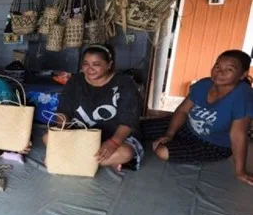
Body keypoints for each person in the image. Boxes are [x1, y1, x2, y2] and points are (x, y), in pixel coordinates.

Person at [141, 50, 253, 184]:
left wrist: (240, 171)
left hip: (213, 144)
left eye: (229, 69)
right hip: (188, 127)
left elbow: (238, 135)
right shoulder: (204, 84)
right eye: (217, 66)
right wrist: (169, 134)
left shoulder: (243, 96)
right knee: (138, 127)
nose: (220, 72)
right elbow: (183, 111)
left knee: (162, 151)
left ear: (243, 75)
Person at [45, 44, 144, 170]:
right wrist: (64, 134)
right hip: (80, 133)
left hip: (114, 136)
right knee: (47, 137)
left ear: (109, 64)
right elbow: (63, 112)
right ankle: (92, 161)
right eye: (85, 63)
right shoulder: (75, 81)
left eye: (96, 64)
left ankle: (69, 159)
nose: (89, 68)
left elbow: (129, 120)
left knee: (125, 153)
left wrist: (113, 143)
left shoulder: (125, 83)